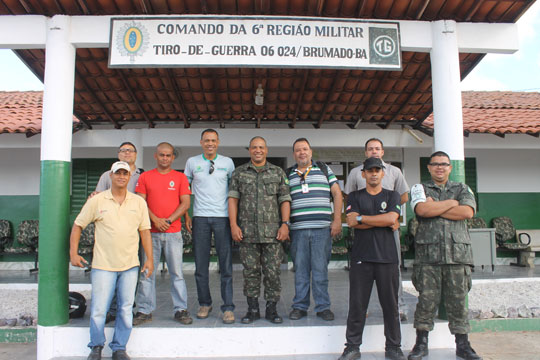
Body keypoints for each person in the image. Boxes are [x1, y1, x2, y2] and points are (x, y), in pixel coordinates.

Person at [69, 161, 154, 360]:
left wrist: (149, 259)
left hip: (130, 266)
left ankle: (119, 348)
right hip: (103, 266)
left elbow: (145, 232)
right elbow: (78, 225)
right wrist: (73, 254)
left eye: (125, 173)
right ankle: (96, 347)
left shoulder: (138, 202)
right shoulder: (97, 200)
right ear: (111, 176)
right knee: (99, 308)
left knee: (125, 309)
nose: (122, 177)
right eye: (118, 173)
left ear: (129, 176)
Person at [408, 151, 481, 360]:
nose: (440, 167)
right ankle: (421, 344)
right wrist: (452, 203)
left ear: (450, 168)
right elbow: (422, 210)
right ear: (429, 168)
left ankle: (463, 345)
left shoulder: (462, 188)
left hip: (458, 256)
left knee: (458, 302)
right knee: (426, 301)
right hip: (428, 256)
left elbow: (467, 213)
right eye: (435, 164)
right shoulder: (419, 188)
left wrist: (435, 208)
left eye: (444, 164)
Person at [338, 157, 405, 360]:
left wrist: (363, 218)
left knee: (390, 306)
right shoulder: (355, 196)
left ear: (383, 173)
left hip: (387, 258)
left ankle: (393, 347)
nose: (374, 173)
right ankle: (352, 347)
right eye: (370, 170)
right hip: (362, 257)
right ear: (363, 174)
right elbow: (351, 222)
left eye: (377, 170)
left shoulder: (393, 195)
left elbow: (391, 218)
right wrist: (381, 221)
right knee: (357, 305)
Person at [345, 138, 410, 321]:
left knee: (392, 270)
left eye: (377, 148)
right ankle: (362, 308)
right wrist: (376, 219)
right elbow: (349, 198)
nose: (374, 151)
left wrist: (392, 214)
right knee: (362, 274)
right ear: (365, 152)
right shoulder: (355, 173)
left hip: (389, 230)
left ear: (383, 152)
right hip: (363, 231)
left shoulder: (394, 172)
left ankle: (399, 307)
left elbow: (403, 196)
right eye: (370, 149)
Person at [228, 136, 291, 324]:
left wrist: (285, 224)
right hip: (247, 233)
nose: (258, 150)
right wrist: (233, 225)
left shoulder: (278, 172)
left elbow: (285, 199)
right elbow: (233, 200)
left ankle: (271, 310)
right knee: (250, 273)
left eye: (261, 147)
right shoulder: (239, 173)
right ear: (249, 150)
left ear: (266, 150)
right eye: (254, 147)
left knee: (272, 273)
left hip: (273, 234)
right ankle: (252, 309)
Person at [133, 142, 193, 326]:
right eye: (161, 155)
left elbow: (185, 203)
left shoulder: (180, 177)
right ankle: (144, 310)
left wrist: (167, 220)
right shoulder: (145, 177)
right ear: (155, 156)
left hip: (173, 233)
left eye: (168, 155)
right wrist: (155, 220)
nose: (165, 158)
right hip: (150, 233)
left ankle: (180, 309)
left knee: (177, 273)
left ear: (173, 157)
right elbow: (140, 203)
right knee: (147, 273)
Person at [286, 137, 343, 321]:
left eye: (305, 149)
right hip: (298, 231)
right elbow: (283, 202)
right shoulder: (288, 174)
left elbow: (337, 194)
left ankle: (323, 307)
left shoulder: (324, 170)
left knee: (320, 270)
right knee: (300, 270)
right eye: (298, 150)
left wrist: (336, 220)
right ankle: (300, 306)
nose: (302, 152)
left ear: (311, 151)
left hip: (321, 230)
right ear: (294, 154)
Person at [184, 129, 236, 324]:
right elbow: (185, 192)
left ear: (218, 142)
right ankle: (205, 303)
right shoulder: (192, 162)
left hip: (222, 218)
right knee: (201, 265)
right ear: (201, 142)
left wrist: (233, 220)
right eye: (206, 140)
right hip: (200, 218)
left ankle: (228, 307)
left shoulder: (228, 163)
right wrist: (187, 216)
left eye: (213, 140)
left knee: (226, 265)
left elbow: (233, 193)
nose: (210, 144)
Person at [92, 141, 143, 324]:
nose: (127, 153)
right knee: (110, 272)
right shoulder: (107, 175)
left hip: (134, 232)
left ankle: (127, 308)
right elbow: (96, 198)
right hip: (110, 232)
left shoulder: (142, 175)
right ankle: (111, 309)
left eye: (130, 151)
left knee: (132, 271)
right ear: (118, 154)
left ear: (136, 154)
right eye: (123, 151)